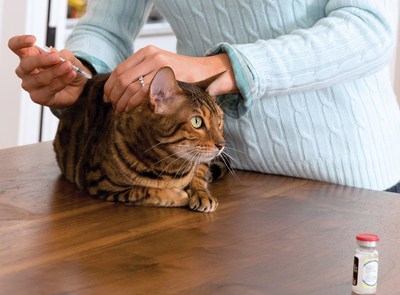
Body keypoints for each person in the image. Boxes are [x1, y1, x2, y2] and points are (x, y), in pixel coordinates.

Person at [8, 0, 400, 192]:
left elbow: (369, 28)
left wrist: (222, 66)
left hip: (351, 184)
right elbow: (106, 29)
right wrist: (87, 78)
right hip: (212, 175)